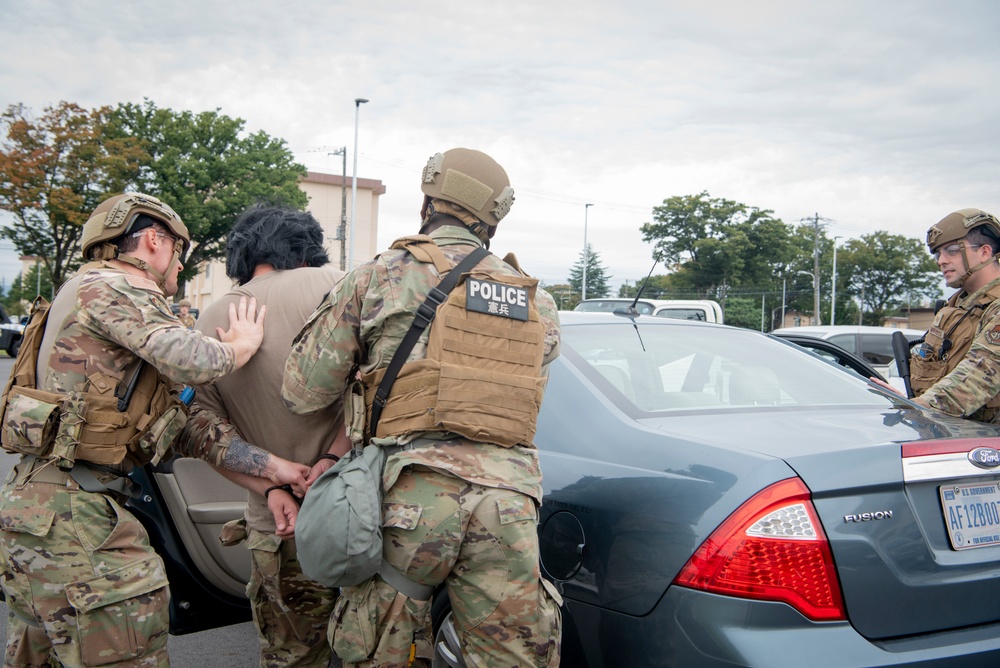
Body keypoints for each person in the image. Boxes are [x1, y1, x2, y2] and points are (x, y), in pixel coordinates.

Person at [282, 148, 563, 667]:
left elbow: (304, 392)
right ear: (493, 218)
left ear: (428, 200)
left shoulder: (381, 275)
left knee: (382, 649)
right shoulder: (535, 301)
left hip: (411, 498)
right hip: (509, 502)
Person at [0, 192, 271, 667]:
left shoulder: (78, 293)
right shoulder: (120, 285)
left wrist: (271, 467)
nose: (179, 272)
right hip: (76, 521)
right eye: (179, 257)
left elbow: (176, 421)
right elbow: (191, 359)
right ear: (153, 241)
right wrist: (241, 347)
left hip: (38, 513)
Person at [175, 205, 349, 667]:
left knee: (293, 653)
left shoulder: (212, 317)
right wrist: (330, 461)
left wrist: (272, 485)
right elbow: (379, 398)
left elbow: (196, 433)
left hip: (277, 523)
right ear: (308, 247)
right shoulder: (342, 288)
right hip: (358, 511)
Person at [873, 208, 1000, 422]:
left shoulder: (993, 308)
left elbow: (979, 377)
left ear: (985, 252)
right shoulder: (955, 308)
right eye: (938, 254)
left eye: (952, 250)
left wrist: (915, 408)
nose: (941, 260)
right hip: (945, 435)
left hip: (985, 443)